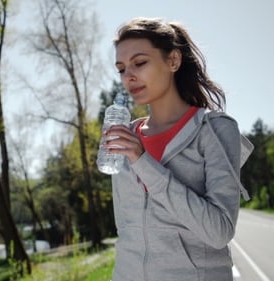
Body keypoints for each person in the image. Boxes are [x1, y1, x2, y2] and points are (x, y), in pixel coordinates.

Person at [101, 17, 254, 281]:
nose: (129, 76)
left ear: (173, 60)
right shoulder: (126, 137)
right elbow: (126, 230)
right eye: (121, 69)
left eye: (140, 63)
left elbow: (220, 232)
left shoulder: (214, 130)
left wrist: (143, 161)